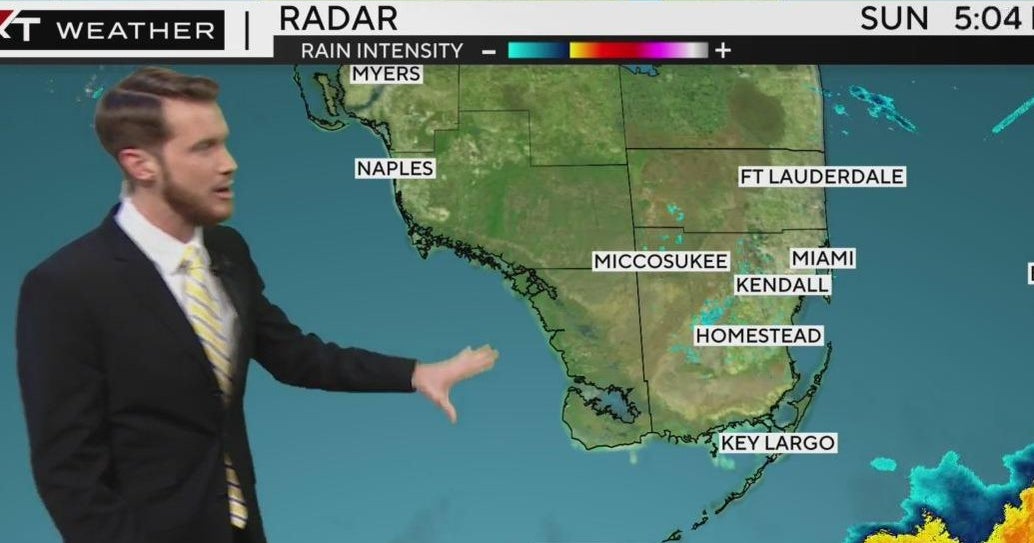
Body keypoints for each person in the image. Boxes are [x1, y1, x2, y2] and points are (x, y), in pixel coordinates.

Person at [15, 66, 498, 543]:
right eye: (204, 148)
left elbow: (295, 356)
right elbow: (69, 472)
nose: (229, 163)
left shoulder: (227, 251)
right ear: (141, 164)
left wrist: (415, 374)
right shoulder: (67, 287)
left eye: (224, 142)